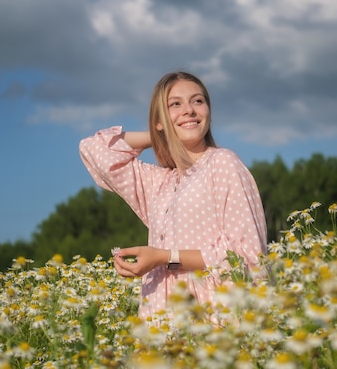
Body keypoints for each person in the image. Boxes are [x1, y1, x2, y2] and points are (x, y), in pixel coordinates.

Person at [79, 71, 267, 320]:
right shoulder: (161, 183)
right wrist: (161, 134)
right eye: (175, 104)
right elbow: (94, 148)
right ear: (159, 120)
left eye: (198, 101)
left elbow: (247, 257)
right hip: (161, 321)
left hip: (211, 319)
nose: (189, 110)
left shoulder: (222, 164)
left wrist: (164, 258)